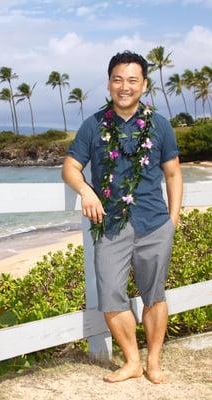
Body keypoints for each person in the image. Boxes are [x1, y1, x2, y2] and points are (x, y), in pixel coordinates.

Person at [62, 50, 183, 384]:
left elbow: (172, 174)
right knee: (111, 294)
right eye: (118, 79)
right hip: (111, 226)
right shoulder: (94, 125)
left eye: (132, 80)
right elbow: (70, 167)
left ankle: (153, 361)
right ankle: (132, 361)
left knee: (154, 294)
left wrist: (172, 220)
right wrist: (86, 191)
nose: (124, 86)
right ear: (109, 83)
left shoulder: (159, 125)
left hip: (154, 223)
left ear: (143, 85)